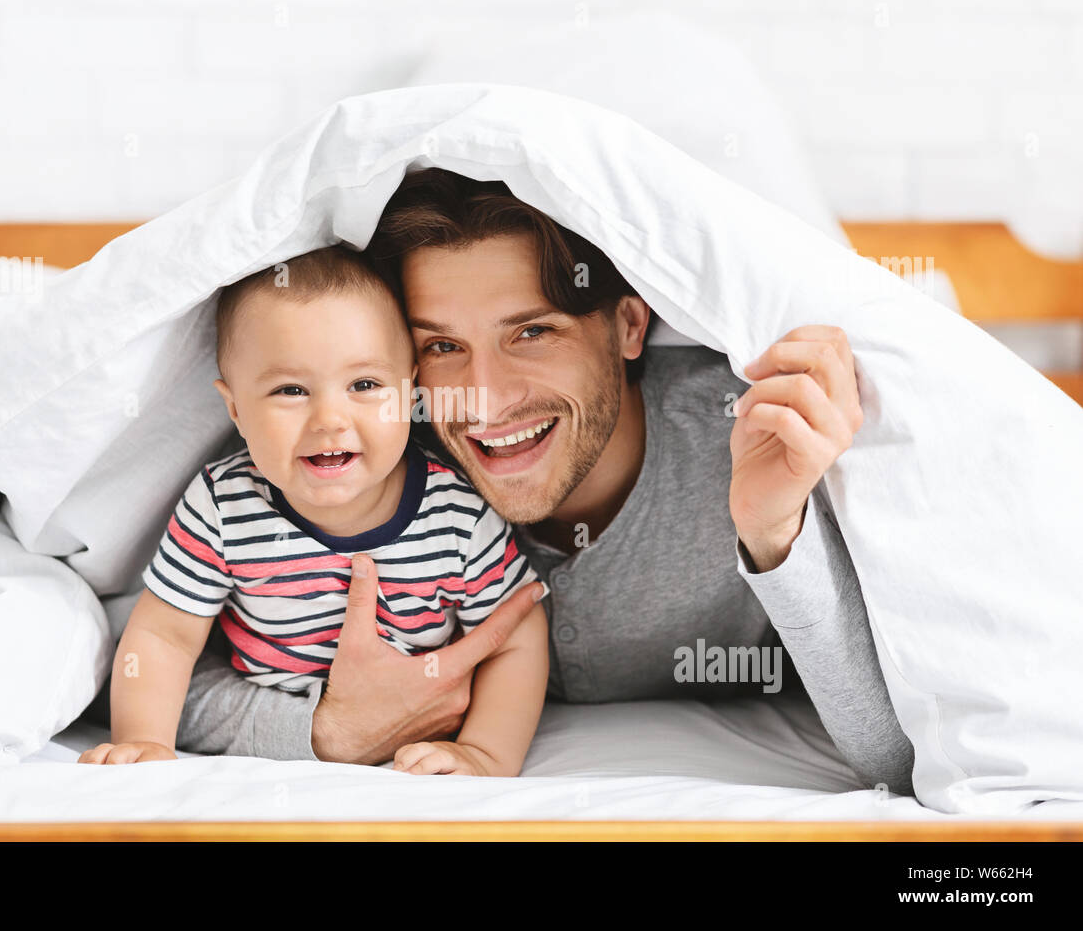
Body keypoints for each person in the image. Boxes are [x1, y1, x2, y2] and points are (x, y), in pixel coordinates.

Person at [174, 170, 916, 795]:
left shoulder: (748, 439)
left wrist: (775, 535)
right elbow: (157, 670)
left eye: (532, 331)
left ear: (629, 325)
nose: (486, 399)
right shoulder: (369, 454)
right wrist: (326, 733)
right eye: (442, 345)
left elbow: (900, 751)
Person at [78, 244, 551, 776]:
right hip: (281, 739)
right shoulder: (223, 505)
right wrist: (145, 741)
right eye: (291, 389)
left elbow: (518, 636)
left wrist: (485, 752)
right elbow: (164, 636)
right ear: (235, 408)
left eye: (364, 385)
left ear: (411, 388)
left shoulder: (455, 514)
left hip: (420, 746)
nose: (330, 419)